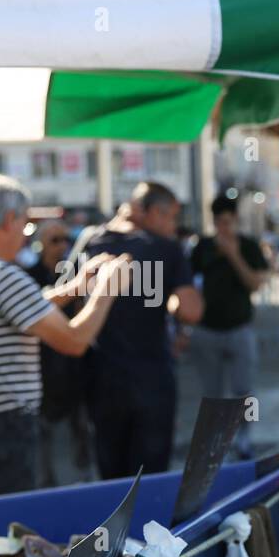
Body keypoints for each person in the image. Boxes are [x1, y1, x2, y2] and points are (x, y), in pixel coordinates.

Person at [0, 175, 129, 494]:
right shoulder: (2, 276)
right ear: (9, 219)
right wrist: (107, 289)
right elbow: (75, 341)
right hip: (3, 428)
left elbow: (8, 310)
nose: (25, 234)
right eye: (24, 224)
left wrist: (75, 288)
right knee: (4, 532)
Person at [82, 181, 203, 479]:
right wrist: (172, 303)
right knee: (149, 479)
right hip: (152, 380)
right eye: (170, 216)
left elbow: (71, 301)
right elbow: (191, 310)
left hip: (101, 379)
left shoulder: (92, 243)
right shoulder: (166, 249)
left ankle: (115, 529)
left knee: (110, 479)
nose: (173, 225)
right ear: (149, 212)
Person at [189, 193, 269, 459]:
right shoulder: (201, 248)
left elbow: (255, 283)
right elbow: (190, 284)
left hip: (239, 329)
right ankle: (216, 442)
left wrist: (234, 256)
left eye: (227, 221)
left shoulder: (247, 246)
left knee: (243, 389)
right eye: (218, 222)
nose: (223, 227)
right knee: (213, 394)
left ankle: (245, 437)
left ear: (234, 219)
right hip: (207, 331)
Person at [26, 220, 92, 482]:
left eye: (66, 239)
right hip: (42, 365)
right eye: (55, 240)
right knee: (43, 433)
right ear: (41, 244)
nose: (62, 246)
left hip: (75, 365)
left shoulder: (76, 272)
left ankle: (83, 476)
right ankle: (46, 480)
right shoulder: (29, 276)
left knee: (81, 428)